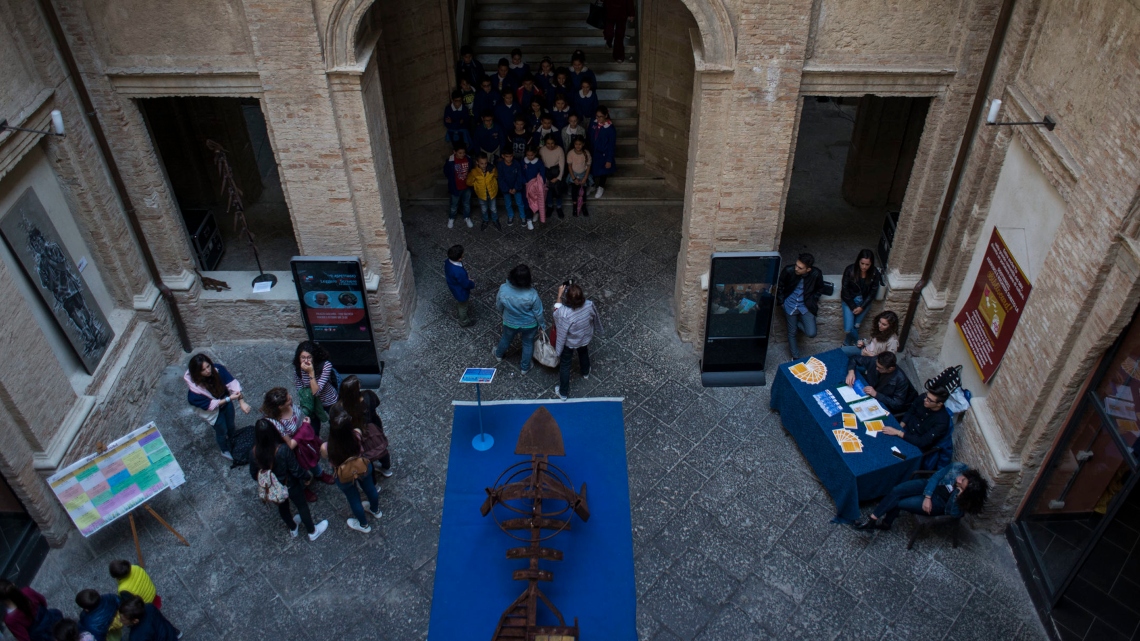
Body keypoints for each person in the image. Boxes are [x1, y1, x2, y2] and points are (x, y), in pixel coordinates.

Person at [249, 419, 329, 541]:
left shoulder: (253, 452)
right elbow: (295, 469)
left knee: (283, 507)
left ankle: (293, 528)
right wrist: (306, 477)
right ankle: (312, 531)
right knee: (302, 506)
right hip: (290, 484)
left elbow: (253, 473)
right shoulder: (282, 449)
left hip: (274, 488)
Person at [853, 462, 990, 531]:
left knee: (899, 502)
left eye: (962, 484)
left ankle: (885, 523)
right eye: (963, 479)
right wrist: (928, 496)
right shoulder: (958, 468)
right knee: (896, 490)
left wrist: (956, 497)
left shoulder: (963, 499)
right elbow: (936, 476)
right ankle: (873, 520)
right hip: (930, 487)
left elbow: (952, 514)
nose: (959, 480)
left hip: (938, 503)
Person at [261, 387, 333, 499]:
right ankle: (303, 488)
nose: (291, 397)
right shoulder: (277, 423)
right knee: (300, 468)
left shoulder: (289, 405)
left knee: (312, 459)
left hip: (304, 442)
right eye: (288, 398)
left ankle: (319, 474)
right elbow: (290, 444)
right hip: (294, 450)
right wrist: (304, 428)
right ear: (280, 406)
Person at [322, 407, 383, 533]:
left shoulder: (326, 447)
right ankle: (376, 510)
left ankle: (364, 525)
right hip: (362, 467)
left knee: (353, 499)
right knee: (370, 488)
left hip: (343, 475)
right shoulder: (356, 433)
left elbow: (325, 457)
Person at [183, 353, 250, 460]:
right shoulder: (193, 394)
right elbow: (211, 405)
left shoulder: (218, 370)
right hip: (214, 412)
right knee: (221, 431)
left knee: (231, 424)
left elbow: (233, 385)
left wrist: (241, 401)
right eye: (203, 370)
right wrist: (229, 399)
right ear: (197, 373)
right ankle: (224, 450)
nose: (208, 371)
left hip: (226, 404)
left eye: (208, 366)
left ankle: (233, 438)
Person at [553, 283, 603, 400]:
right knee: (583, 353)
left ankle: (563, 392)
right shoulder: (589, 305)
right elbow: (594, 317)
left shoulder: (564, 313)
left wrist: (559, 295)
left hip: (569, 343)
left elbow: (556, 314)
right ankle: (585, 372)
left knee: (565, 365)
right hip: (584, 337)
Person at [492, 264, 546, 375]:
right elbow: (538, 312)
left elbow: (499, 305)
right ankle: (524, 368)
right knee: (527, 343)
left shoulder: (503, 289)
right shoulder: (532, 294)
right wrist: (542, 325)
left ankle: (498, 355)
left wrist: (504, 314)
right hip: (529, 325)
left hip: (510, 322)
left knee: (506, 338)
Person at [339, 375, 393, 480]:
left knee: (367, 456)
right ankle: (386, 468)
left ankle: (373, 481)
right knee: (380, 446)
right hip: (374, 426)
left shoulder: (344, 408)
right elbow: (377, 403)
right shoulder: (368, 395)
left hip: (358, 433)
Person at [776, 252, 824, 360]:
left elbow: (820, 288)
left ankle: (794, 324)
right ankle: (795, 356)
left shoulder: (816, 274)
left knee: (811, 333)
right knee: (791, 333)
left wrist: (813, 300)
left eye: (800, 268)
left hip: (805, 306)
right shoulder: (789, 270)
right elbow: (780, 286)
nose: (796, 269)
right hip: (790, 305)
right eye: (796, 265)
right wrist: (781, 302)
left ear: (808, 270)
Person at [293, 341, 339, 435]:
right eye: (303, 357)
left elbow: (316, 392)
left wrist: (310, 373)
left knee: (337, 423)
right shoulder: (298, 369)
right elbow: (300, 387)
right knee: (314, 430)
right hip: (312, 403)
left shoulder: (325, 366)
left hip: (329, 400)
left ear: (314, 357)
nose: (306, 361)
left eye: (309, 357)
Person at [881, 388, 951, 450]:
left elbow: (922, 442)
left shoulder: (942, 421)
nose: (925, 399)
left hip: (915, 444)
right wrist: (900, 426)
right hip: (904, 430)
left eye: (929, 400)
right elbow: (911, 411)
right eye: (926, 396)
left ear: (939, 404)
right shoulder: (923, 398)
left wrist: (898, 432)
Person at [845, 351, 912, 414]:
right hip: (868, 390)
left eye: (880, 368)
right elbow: (854, 358)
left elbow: (897, 404)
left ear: (890, 369)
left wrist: (876, 394)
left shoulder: (901, 380)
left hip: (881, 402)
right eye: (876, 365)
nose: (876, 368)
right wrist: (851, 372)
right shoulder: (875, 361)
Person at [841, 249, 881, 346]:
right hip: (849, 300)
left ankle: (846, 345)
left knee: (856, 325)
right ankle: (859, 344)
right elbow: (845, 290)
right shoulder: (850, 270)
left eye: (867, 264)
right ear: (858, 261)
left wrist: (862, 307)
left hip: (864, 302)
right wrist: (853, 307)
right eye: (862, 263)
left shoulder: (874, 273)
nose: (864, 267)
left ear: (871, 264)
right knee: (848, 329)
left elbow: (872, 292)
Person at [466, 152, 501, 231]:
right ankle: (485, 220)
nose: (484, 165)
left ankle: (495, 220)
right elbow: (469, 182)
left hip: (492, 193)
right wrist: (476, 184)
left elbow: (496, 176)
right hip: (481, 194)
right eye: (481, 163)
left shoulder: (492, 169)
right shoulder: (474, 172)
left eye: (485, 163)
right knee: (484, 209)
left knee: (493, 208)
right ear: (477, 162)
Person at [497, 149, 530, 229]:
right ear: (503, 156)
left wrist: (515, 188)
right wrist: (508, 189)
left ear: (513, 155)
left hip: (516, 187)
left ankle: (523, 216)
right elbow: (501, 179)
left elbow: (519, 177)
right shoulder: (500, 165)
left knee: (520, 203)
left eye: (511, 156)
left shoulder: (516, 164)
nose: (509, 158)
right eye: (507, 157)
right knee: (508, 203)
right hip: (506, 189)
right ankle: (510, 215)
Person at [443, 142, 473, 229]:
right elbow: (446, 172)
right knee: (454, 205)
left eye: (463, 153)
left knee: (466, 203)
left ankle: (466, 217)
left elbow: (471, 171)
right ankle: (451, 218)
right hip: (455, 187)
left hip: (466, 187)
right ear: (454, 152)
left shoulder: (468, 159)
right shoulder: (450, 161)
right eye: (460, 153)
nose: (462, 155)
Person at [445, 244, 476, 327]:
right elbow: (465, 284)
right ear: (459, 258)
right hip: (461, 292)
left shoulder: (448, 262)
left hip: (454, 286)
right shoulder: (458, 271)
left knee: (461, 303)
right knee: (463, 307)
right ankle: (464, 321)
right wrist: (472, 283)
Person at [589, 106, 616, 198]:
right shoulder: (593, 123)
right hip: (593, 151)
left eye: (600, 116)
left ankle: (601, 187)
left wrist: (609, 159)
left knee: (603, 171)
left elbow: (611, 145)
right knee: (593, 168)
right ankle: (592, 185)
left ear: (606, 115)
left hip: (603, 153)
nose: (598, 118)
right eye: (597, 116)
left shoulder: (610, 129)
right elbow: (590, 135)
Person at [539, 134, 566, 218]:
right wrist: (545, 177)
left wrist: (558, 177)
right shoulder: (542, 150)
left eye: (552, 143)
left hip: (556, 172)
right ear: (545, 143)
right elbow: (541, 164)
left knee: (558, 191)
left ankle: (559, 207)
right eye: (548, 143)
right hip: (547, 173)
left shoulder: (559, 150)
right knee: (549, 191)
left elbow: (562, 164)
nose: (550, 145)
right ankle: (549, 207)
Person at [565, 136, 592, 217]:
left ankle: (583, 206)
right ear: (574, 144)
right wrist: (573, 178)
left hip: (583, 174)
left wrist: (585, 178)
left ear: (583, 144)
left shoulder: (586, 153)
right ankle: (575, 206)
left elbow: (588, 166)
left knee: (583, 191)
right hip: (574, 174)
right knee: (574, 190)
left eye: (580, 144)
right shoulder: (570, 153)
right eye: (576, 144)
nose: (578, 146)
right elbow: (569, 166)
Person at [522, 145, 548, 224]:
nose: (530, 157)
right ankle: (529, 216)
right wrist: (525, 182)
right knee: (527, 201)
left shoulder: (539, 162)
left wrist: (540, 184)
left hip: (536, 187)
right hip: (526, 185)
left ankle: (536, 213)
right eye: (528, 155)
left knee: (536, 200)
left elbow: (542, 174)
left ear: (535, 154)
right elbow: (521, 173)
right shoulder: (523, 161)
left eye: (532, 155)